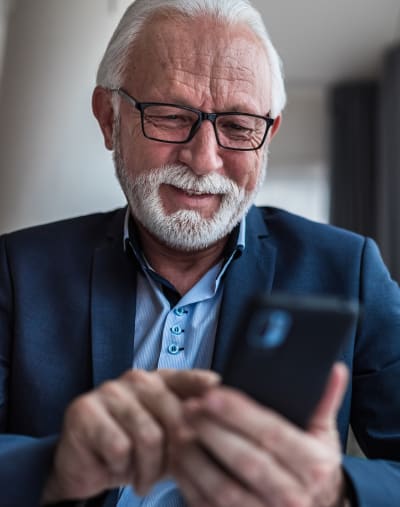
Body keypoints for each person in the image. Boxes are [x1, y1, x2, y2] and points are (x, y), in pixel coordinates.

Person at [0, 0, 399, 506]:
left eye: (237, 126)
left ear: (268, 135)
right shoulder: (17, 270)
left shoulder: (348, 271)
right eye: (170, 116)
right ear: (109, 119)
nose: (204, 159)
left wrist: (335, 490)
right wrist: (55, 468)